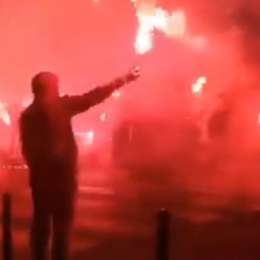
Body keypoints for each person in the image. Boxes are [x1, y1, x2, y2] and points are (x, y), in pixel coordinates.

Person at [19, 67, 140, 260]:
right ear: (47, 89)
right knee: (59, 227)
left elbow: (28, 150)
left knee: (44, 224)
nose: (57, 89)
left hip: (46, 179)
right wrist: (122, 80)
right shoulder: (57, 108)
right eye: (54, 86)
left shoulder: (31, 115)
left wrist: (40, 168)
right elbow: (92, 97)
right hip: (59, 177)